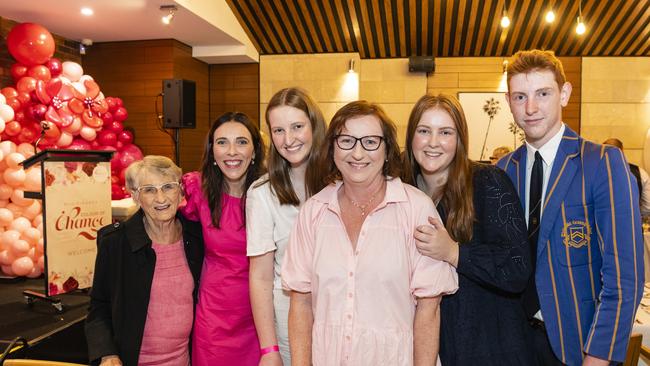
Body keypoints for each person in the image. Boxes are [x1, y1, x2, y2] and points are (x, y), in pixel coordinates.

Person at [282, 100, 458, 366]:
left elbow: (428, 309)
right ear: (332, 148)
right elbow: (301, 304)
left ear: (387, 150)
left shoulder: (417, 208)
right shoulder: (313, 212)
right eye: (347, 141)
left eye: (370, 141)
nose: (358, 153)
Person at [497, 49, 643, 366]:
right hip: (513, 343)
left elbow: (624, 277)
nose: (531, 108)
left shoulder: (602, 162)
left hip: (577, 347)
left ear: (564, 94)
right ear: (509, 102)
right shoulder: (503, 169)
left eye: (543, 94)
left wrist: (599, 356)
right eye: (520, 97)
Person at [402, 94, 532, 365]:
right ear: (411, 137)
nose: (433, 142)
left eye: (445, 132)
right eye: (424, 131)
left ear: (459, 139)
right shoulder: (400, 192)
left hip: (486, 345)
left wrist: (454, 252)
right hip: (423, 344)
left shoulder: (487, 182)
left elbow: (517, 268)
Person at [85, 156, 204, 366]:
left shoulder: (196, 236)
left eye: (168, 186)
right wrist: (107, 353)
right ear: (136, 197)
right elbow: (99, 306)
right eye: (149, 190)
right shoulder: (116, 243)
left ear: (181, 191)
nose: (161, 198)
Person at [246, 88, 326, 365]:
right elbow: (260, 278)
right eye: (278, 130)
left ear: (314, 126)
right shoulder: (262, 194)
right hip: (289, 323)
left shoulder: (343, 184)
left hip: (341, 319)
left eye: (297, 127)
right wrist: (269, 351)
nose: (288, 139)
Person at [181, 112, 266, 365]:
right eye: (222, 142)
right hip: (214, 319)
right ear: (212, 151)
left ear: (254, 151)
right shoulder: (196, 189)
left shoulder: (269, 194)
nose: (232, 151)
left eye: (241, 142)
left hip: (260, 318)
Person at [603, 138, 650, 216]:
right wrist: (635, 215)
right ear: (622, 151)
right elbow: (648, 206)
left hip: (603, 224)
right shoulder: (640, 173)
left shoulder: (595, 172)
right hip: (632, 224)